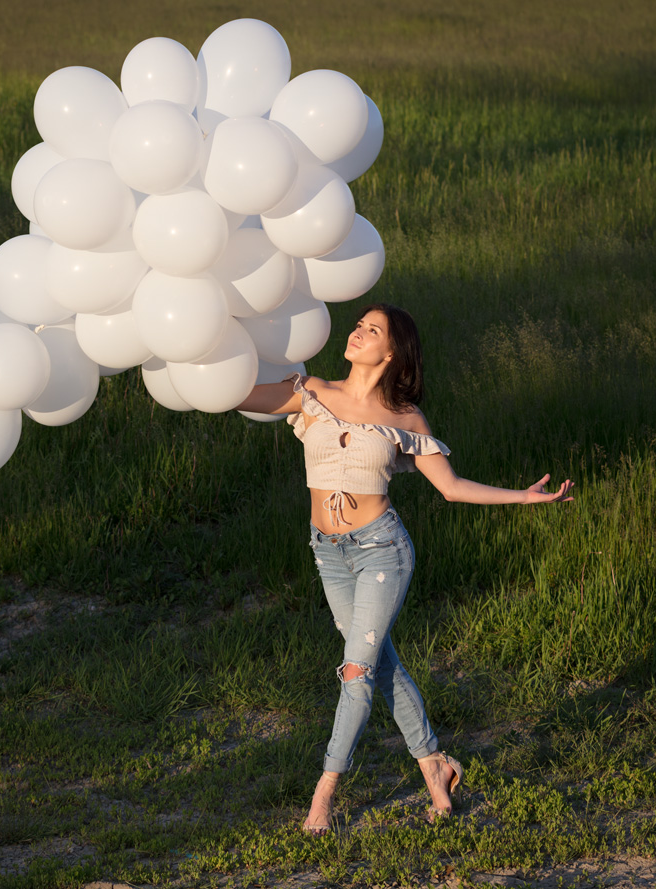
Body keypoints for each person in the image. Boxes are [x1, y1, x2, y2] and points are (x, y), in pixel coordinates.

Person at [236, 303, 574, 835]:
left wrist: (525, 498)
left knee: (357, 672)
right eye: (359, 324)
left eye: (372, 330)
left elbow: (452, 487)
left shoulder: (404, 418)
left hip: (381, 552)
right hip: (328, 551)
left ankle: (322, 797)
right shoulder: (312, 392)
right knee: (380, 664)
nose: (357, 331)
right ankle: (434, 764)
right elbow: (232, 394)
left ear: (390, 353)